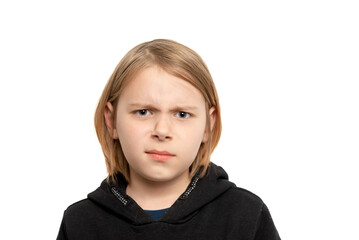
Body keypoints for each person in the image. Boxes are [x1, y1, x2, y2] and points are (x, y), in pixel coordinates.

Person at [56, 39, 280, 240]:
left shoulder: (246, 215)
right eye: (144, 112)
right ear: (111, 120)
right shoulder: (79, 222)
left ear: (208, 125)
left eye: (182, 114)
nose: (162, 131)